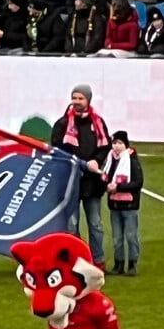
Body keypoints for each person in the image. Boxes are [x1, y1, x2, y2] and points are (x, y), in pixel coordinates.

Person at [50, 84, 110, 270]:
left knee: (96, 224)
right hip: (70, 182)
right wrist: (81, 163)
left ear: (88, 100)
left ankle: (98, 261)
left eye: (80, 98)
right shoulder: (62, 124)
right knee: (71, 225)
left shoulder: (98, 123)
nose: (76, 101)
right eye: (74, 98)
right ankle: (76, 263)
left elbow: (105, 148)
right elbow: (56, 151)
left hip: (92, 183)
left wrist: (96, 162)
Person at [101, 130, 143, 276]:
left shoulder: (131, 160)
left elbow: (138, 183)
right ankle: (118, 264)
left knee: (131, 236)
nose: (117, 146)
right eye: (115, 143)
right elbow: (105, 177)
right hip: (114, 204)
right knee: (117, 237)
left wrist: (118, 187)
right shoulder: (110, 160)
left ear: (125, 145)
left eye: (120, 143)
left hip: (129, 205)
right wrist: (105, 185)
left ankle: (132, 264)